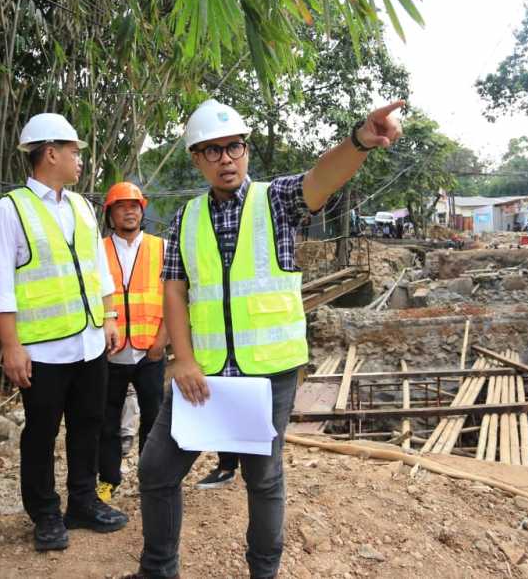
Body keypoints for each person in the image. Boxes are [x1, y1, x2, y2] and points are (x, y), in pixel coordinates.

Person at [132, 97, 404, 579]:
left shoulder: (276, 201)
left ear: (247, 151)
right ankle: (158, 570)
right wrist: (183, 359)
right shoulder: (184, 220)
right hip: (205, 373)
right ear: (197, 159)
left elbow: (322, 178)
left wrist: (361, 140)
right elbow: (174, 291)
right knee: (157, 468)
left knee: (262, 476)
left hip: (268, 372)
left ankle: (264, 571)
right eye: (212, 151)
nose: (225, 159)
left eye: (233, 147)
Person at [0, 113, 128, 552]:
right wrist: (11, 346)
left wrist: (110, 318)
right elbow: (0, 284)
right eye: (74, 151)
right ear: (50, 153)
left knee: (89, 424)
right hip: (43, 350)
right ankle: (45, 513)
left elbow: (97, 268)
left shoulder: (82, 206)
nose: (79, 159)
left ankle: (82, 502)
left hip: (87, 342)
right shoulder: (11, 210)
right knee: (41, 432)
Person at [97, 182, 168, 503]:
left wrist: (161, 342)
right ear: (109, 213)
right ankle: (108, 480)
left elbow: (175, 299)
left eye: (134, 205)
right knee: (107, 422)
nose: (129, 211)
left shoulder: (161, 247)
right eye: (121, 206)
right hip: (108, 353)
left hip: (148, 350)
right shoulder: (97, 250)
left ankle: (151, 479)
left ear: (143, 210)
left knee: (153, 420)